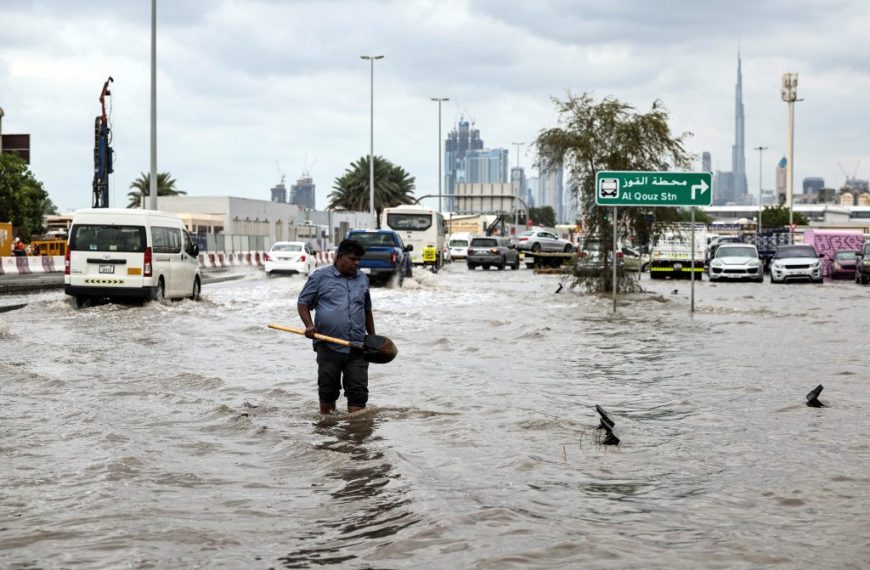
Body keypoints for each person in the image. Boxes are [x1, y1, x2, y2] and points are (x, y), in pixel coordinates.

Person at [297, 239, 374, 414]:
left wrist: (373, 338)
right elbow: (303, 303)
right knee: (328, 393)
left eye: (358, 260)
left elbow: (367, 310)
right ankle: (328, 434)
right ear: (339, 257)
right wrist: (309, 325)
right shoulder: (319, 277)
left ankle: (355, 437)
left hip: (357, 347)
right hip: (328, 346)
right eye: (353, 259)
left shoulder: (362, 278)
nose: (357, 263)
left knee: (358, 395)